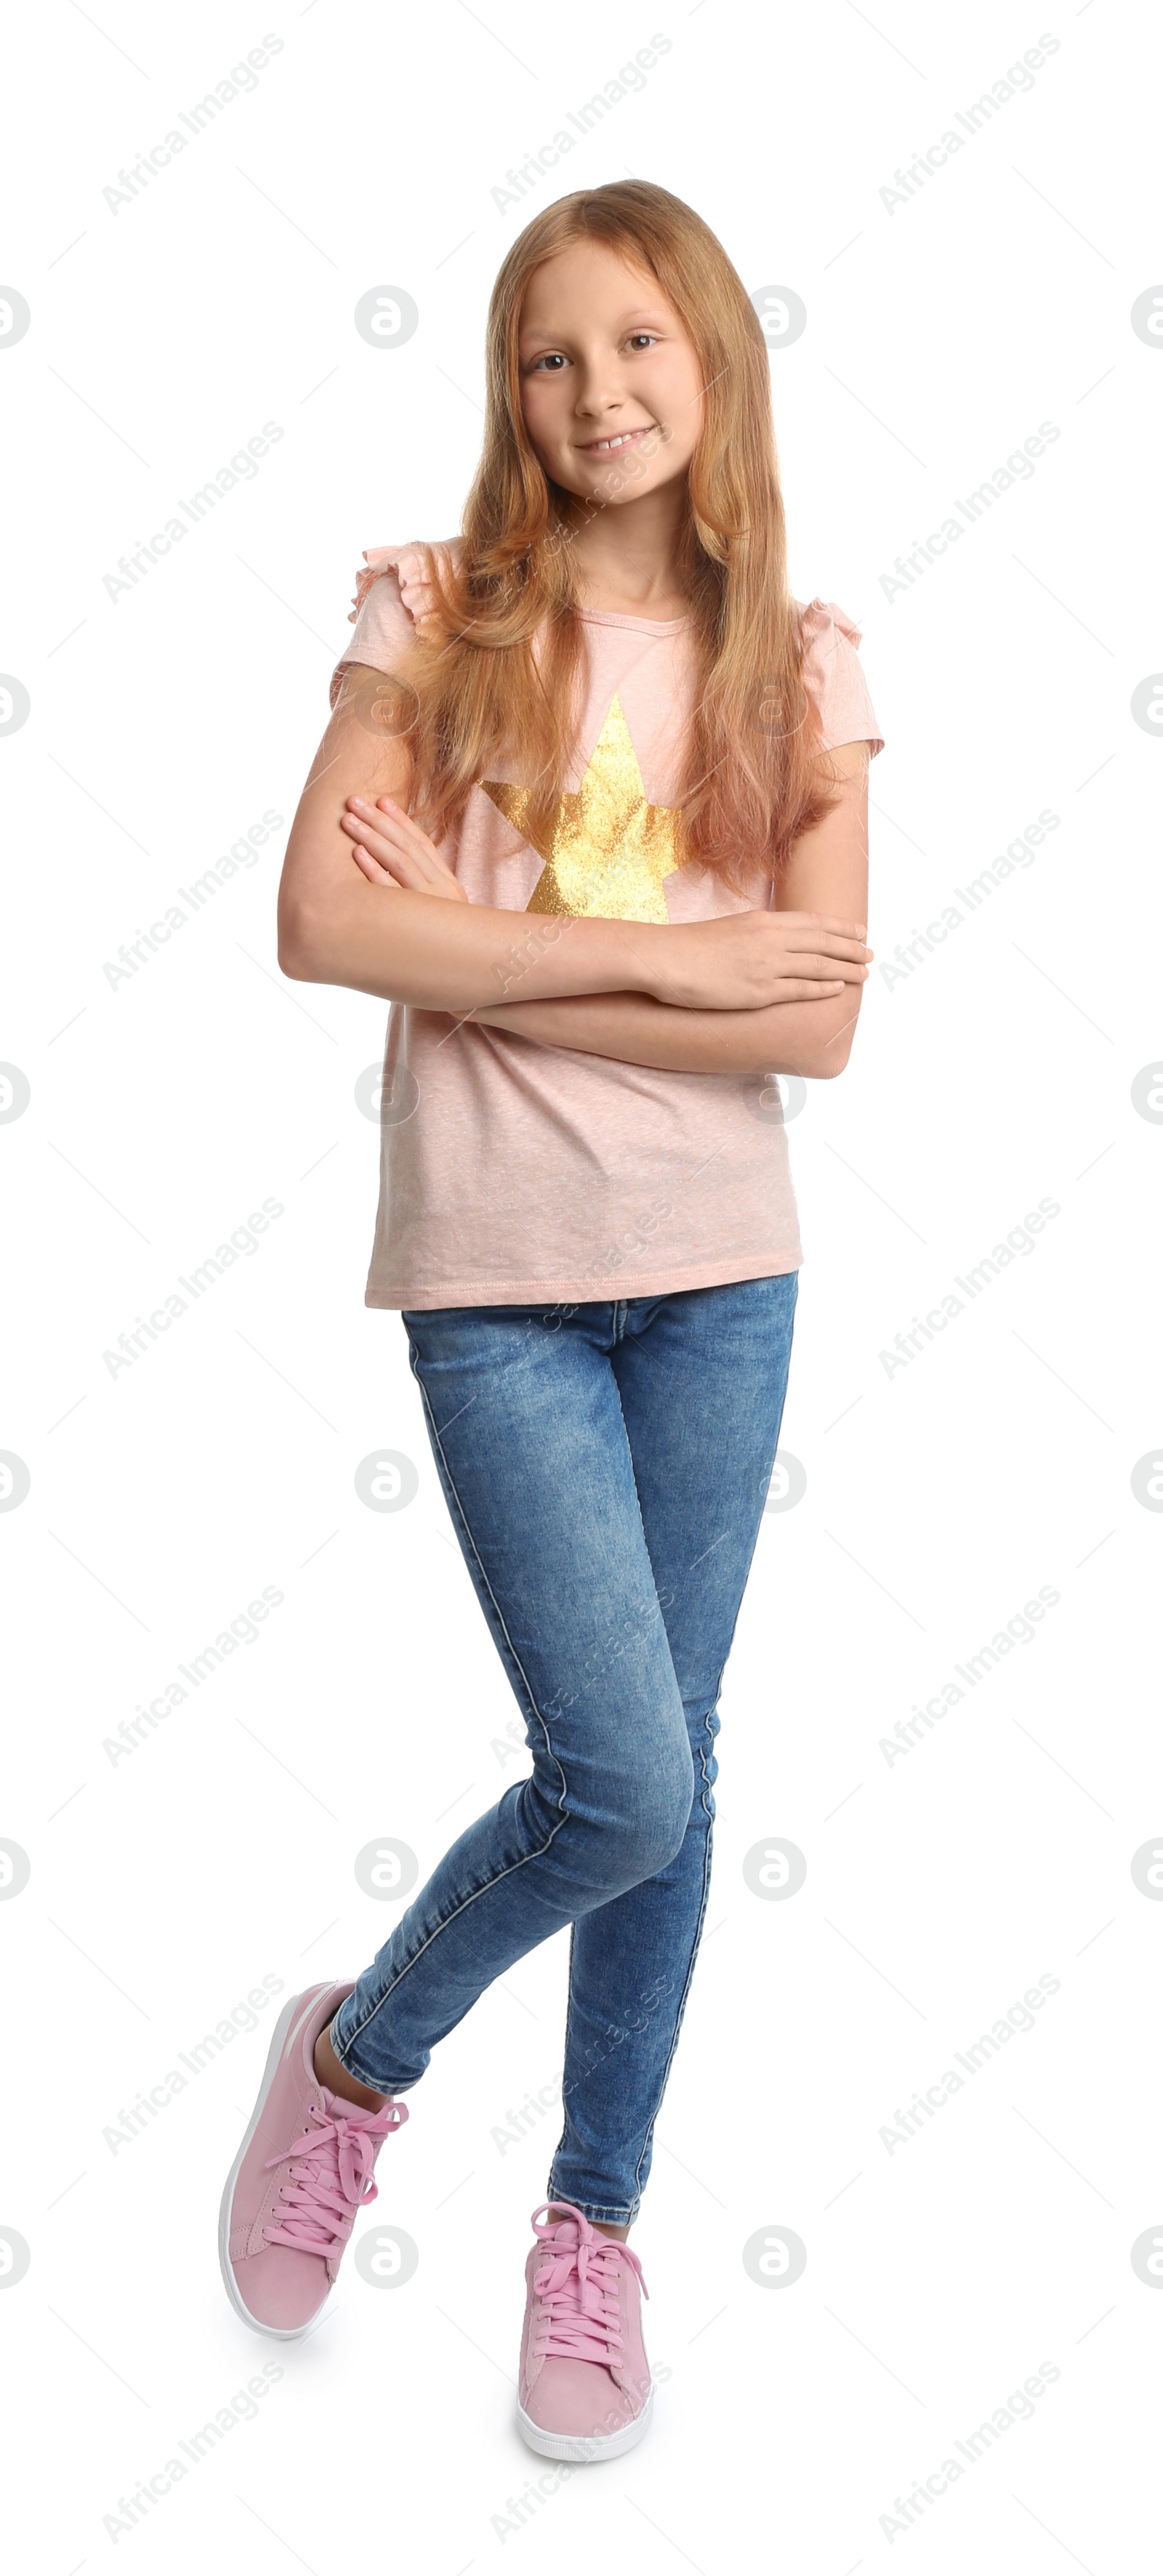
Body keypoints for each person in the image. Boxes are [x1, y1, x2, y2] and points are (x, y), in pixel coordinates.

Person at [218, 179, 882, 2463]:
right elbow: (318, 920)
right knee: (628, 1774)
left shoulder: (800, 660)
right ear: (508, 390)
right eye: (549, 354)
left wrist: (495, 955)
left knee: (667, 1775)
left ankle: (595, 2222)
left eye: (643, 346)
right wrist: (688, 960)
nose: (599, 393)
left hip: (722, 1279)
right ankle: (359, 2061)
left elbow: (819, 1027)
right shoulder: (433, 613)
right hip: (500, 1279)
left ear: (717, 369)